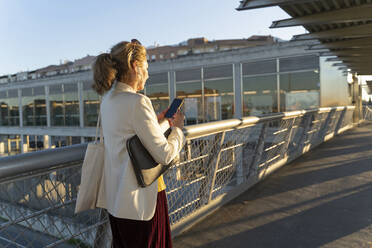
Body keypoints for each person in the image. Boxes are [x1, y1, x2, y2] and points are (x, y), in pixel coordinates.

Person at [92, 39, 185, 248]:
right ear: (136, 66)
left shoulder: (107, 100)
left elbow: (133, 139)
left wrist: (159, 122)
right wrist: (178, 130)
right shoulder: (138, 102)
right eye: (147, 67)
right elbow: (165, 155)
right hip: (143, 203)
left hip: (117, 202)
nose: (148, 74)